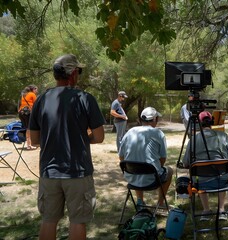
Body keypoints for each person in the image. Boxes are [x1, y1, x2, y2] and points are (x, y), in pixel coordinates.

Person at [29, 54, 105, 240]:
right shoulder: (85, 98)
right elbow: (99, 136)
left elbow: (34, 139)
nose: (78, 75)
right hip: (77, 173)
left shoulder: (41, 99)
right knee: (77, 221)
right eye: (78, 71)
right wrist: (81, 137)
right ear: (72, 74)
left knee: (48, 220)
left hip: (49, 172)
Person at [183, 111, 228, 221]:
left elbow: (186, 162)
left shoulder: (193, 139)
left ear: (199, 123)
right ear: (212, 122)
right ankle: (221, 210)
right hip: (222, 181)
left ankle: (206, 210)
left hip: (201, 183)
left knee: (199, 174)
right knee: (222, 172)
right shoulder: (223, 136)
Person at [119, 107, 173, 210]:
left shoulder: (130, 132)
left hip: (131, 178)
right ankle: (160, 203)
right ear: (154, 119)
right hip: (151, 179)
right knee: (169, 171)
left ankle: (140, 201)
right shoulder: (158, 133)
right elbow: (162, 159)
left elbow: (121, 157)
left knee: (136, 166)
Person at [18, 84, 38, 150]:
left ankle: (28, 144)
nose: (37, 91)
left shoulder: (24, 94)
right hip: (27, 113)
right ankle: (29, 145)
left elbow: (20, 104)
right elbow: (36, 104)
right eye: (36, 89)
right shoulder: (32, 94)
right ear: (33, 89)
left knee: (27, 128)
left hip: (21, 112)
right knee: (29, 129)